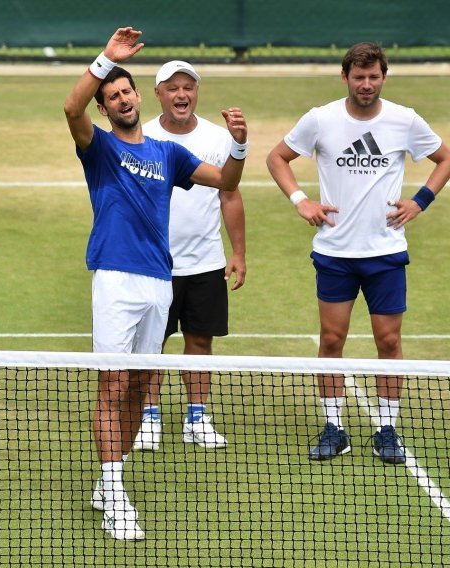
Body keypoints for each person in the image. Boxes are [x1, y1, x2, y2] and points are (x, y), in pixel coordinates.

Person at [64, 27, 248, 540]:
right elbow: (70, 108)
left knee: (141, 387)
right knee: (113, 384)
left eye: (126, 91)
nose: (122, 99)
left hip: (159, 282)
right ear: (106, 109)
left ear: (138, 97)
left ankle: (110, 479)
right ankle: (116, 491)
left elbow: (227, 183)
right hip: (116, 280)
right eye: (112, 96)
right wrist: (105, 59)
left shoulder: (169, 155)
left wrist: (239, 144)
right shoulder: (97, 148)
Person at [266, 42, 450, 465]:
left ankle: (387, 428)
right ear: (345, 77)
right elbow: (278, 158)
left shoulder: (404, 120)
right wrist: (301, 201)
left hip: (385, 253)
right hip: (334, 253)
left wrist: (420, 200)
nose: (366, 84)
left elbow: (444, 158)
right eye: (358, 77)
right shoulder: (321, 119)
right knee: (332, 340)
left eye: (373, 77)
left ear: (384, 77)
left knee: (389, 341)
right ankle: (334, 426)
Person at [133, 61, 247, 453]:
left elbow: (229, 194)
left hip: (205, 261)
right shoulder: (139, 136)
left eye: (188, 87)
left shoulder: (219, 138)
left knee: (200, 341)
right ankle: (148, 416)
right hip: (154, 264)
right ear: (158, 94)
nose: (182, 94)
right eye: (173, 88)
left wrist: (238, 253)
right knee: (152, 345)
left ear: (196, 92)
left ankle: (197, 416)